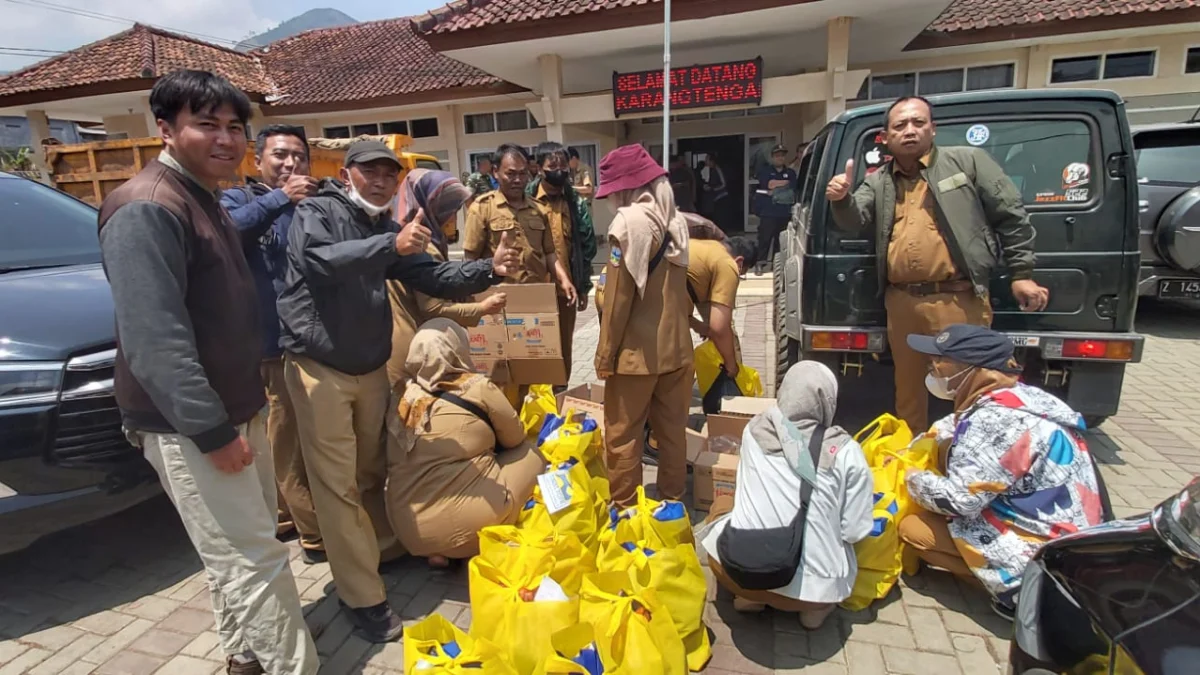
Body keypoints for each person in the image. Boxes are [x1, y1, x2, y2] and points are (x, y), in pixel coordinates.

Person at [97, 70, 317, 675]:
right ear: (165, 129)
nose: (226, 139)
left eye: (234, 127)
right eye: (206, 125)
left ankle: (244, 657)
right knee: (254, 558)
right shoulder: (147, 207)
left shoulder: (206, 196)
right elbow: (155, 339)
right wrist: (212, 432)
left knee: (232, 553)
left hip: (238, 404)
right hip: (190, 423)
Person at [278, 139, 520, 643]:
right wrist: (391, 246)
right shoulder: (319, 212)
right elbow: (321, 261)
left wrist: (486, 270)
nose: (383, 179)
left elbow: (431, 277)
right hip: (320, 367)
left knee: (370, 472)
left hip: (369, 368)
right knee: (337, 485)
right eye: (371, 171)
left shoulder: (387, 228)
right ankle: (361, 596)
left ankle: (378, 552)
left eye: (391, 172)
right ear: (348, 174)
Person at [826, 95, 1050, 433]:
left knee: (972, 381)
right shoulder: (880, 180)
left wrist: (1021, 275)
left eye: (918, 122)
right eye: (899, 126)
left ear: (933, 128)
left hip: (958, 298)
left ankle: (973, 450)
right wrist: (841, 199)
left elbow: (1012, 217)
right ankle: (912, 455)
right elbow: (855, 219)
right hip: (902, 301)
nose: (910, 131)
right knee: (909, 391)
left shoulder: (967, 162)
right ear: (886, 138)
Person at [898, 324, 1106, 619]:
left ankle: (1022, 595)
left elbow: (961, 501)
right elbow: (956, 425)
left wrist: (911, 478)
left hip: (1041, 551)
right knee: (944, 449)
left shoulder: (993, 420)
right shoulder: (1023, 397)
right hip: (1068, 532)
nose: (933, 369)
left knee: (913, 529)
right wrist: (926, 441)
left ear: (974, 370)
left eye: (940, 361)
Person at [700, 361, 873, 630]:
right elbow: (854, 531)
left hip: (739, 574)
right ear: (827, 401)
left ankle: (749, 598)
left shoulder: (755, 431)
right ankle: (814, 611)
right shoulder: (846, 450)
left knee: (723, 504)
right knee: (843, 544)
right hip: (814, 594)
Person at [220, 124, 325, 565]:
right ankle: (316, 535)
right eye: (280, 155)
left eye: (299, 156)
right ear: (256, 160)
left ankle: (284, 517)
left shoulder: (309, 206)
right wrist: (281, 197)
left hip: (306, 341)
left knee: (293, 439)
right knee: (287, 445)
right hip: (266, 345)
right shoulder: (239, 201)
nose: (290, 164)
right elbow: (226, 232)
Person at [386, 319, 546, 566]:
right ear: (457, 348)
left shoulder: (401, 394)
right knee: (531, 453)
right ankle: (464, 544)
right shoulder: (475, 387)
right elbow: (515, 437)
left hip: (408, 531)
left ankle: (437, 553)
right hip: (469, 526)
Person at [593, 144, 693, 507]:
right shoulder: (675, 219)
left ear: (625, 188)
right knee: (672, 436)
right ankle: (672, 506)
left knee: (622, 438)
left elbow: (619, 301)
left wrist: (604, 356)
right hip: (678, 353)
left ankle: (625, 514)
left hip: (635, 356)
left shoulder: (629, 222)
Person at [385, 169, 508, 387]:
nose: (452, 217)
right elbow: (433, 308)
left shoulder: (407, 237)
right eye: (446, 209)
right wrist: (482, 309)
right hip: (414, 351)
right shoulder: (422, 246)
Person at [528, 141, 596, 380]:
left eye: (563, 165)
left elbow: (586, 247)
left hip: (565, 292)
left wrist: (584, 285)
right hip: (534, 290)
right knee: (534, 347)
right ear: (539, 168)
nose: (560, 170)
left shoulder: (575, 203)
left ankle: (561, 391)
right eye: (553, 165)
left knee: (564, 346)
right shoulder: (527, 201)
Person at [685, 218, 754, 377]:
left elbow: (675, 298)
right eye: (740, 275)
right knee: (680, 364)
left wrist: (698, 325)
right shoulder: (728, 263)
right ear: (740, 262)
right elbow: (720, 328)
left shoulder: (707, 246)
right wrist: (731, 366)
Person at [754, 143, 797, 270]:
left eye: (782, 156)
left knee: (780, 241)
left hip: (784, 212)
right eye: (777, 156)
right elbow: (769, 184)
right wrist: (783, 184)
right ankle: (760, 264)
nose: (780, 158)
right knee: (764, 239)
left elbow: (792, 187)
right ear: (772, 157)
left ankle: (776, 266)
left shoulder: (790, 172)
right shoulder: (765, 171)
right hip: (768, 212)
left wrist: (776, 187)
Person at [701, 153, 731, 230]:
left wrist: (712, 188)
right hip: (716, 198)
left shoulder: (717, 169)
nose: (705, 161)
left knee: (721, 218)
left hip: (722, 197)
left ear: (711, 161)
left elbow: (723, 184)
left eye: (707, 159)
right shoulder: (710, 170)